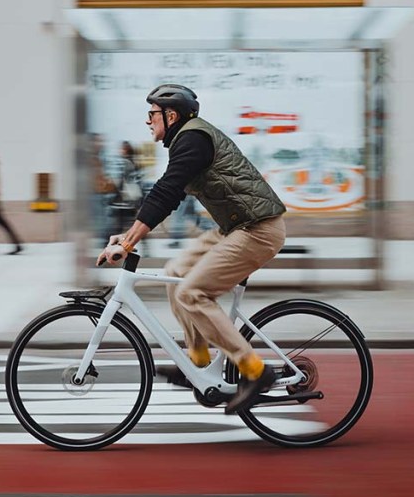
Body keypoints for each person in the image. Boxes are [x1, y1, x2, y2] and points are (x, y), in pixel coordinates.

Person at [96, 84, 288, 414]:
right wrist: (128, 236)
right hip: (237, 226)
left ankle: (256, 371)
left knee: (191, 293)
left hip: (258, 229)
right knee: (176, 273)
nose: (148, 121)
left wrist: (128, 242)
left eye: (152, 114)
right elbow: (166, 193)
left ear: (171, 116)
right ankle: (198, 364)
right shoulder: (188, 139)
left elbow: (166, 192)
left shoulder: (193, 138)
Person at [109, 141, 143, 235]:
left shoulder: (125, 163)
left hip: (125, 200)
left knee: (120, 227)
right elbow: (138, 181)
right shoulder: (134, 163)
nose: (120, 151)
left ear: (126, 151)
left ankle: (109, 244)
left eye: (123, 149)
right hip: (131, 200)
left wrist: (115, 196)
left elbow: (121, 182)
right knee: (132, 226)